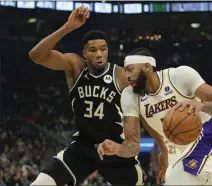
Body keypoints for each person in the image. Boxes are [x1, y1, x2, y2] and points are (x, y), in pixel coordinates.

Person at [97, 48, 212, 185]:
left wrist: (201, 106)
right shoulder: (129, 96)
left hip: (208, 135)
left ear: (147, 67)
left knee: (178, 180)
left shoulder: (180, 76)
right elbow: (133, 146)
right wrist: (117, 148)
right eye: (125, 71)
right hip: (179, 151)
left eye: (130, 69)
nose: (126, 75)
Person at [29, 6, 143, 186]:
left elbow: (135, 142)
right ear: (84, 53)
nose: (99, 54)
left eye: (103, 49)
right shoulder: (75, 67)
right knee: (41, 183)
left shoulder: (121, 76)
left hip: (114, 147)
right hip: (83, 146)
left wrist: (120, 149)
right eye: (93, 50)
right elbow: (36, 55)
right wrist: (67, 27)